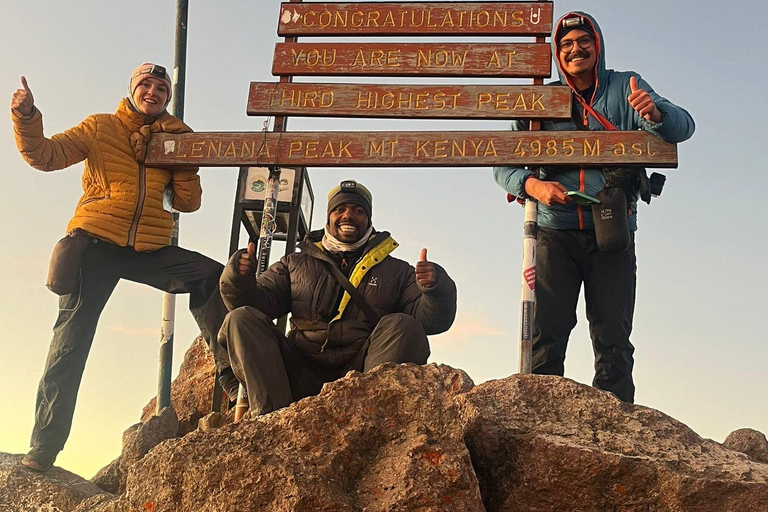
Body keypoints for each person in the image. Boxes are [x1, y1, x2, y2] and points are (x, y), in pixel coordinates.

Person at [11, 63, 238, 472]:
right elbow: (44, 156)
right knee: (70, 341)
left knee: (209, 274)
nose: (152, 92)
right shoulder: (101, 127)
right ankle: (43, 448)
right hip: (96, 243)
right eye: (145, 85)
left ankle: (232, 380)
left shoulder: (175, 138)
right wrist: (27, 117)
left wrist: (184, 157)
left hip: (148, 247)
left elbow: (188, 203)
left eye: (161, 88)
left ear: (167, 97)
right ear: (133, 90)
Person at [493, 12, 695, 403]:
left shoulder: (626, 86)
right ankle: (538, 423)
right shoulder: (540, 100)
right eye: (566, 44)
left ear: (597, 46)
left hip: (613, 231)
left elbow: (684, 126)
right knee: (546, 334)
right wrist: (533, 186)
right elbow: (502, 161)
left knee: (613, 338)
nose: (575, 49)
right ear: (556, 52)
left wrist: (655, 114)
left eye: (584, 41)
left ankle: (615, 427)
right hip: (555, 232)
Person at [219, 179, 457, 415]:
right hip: (298, 372)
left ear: (369, 220)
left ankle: (370, 419)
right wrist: (239, 279)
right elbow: (253, 305)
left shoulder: (397, 270)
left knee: (404, 325)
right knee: (239, 319)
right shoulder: (294, 263)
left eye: (358, 210)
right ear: (328, 217)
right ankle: (271, 419)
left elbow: (430, 322)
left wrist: (435, 288)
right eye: (339, 209)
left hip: (363, 374)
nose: (348, 216)